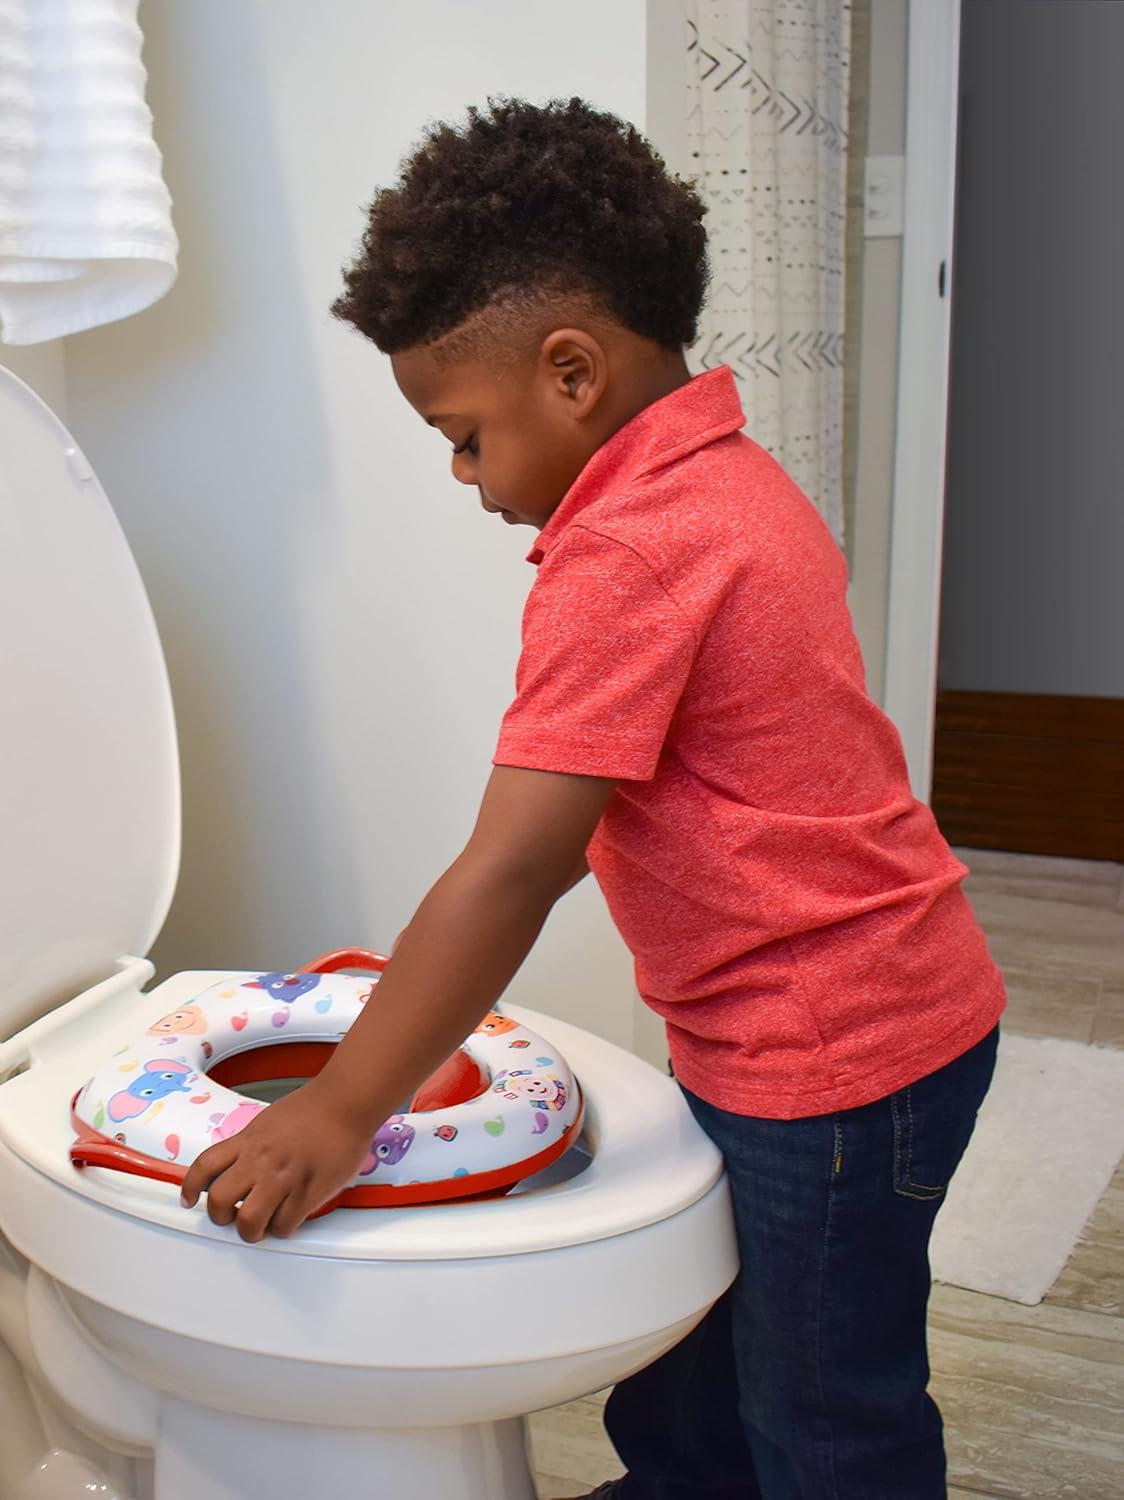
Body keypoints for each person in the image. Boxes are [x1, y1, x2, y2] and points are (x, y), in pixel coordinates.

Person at [179, 97, 1004, 1499]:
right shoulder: (725, 476)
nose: (461, 476)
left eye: (462, 434)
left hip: (834, 1058)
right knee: (701, 1357)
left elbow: (512, 867)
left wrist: (338, 1109)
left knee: (830, 1416)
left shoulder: (629, 551)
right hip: (843, 1014)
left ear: (570, 372)